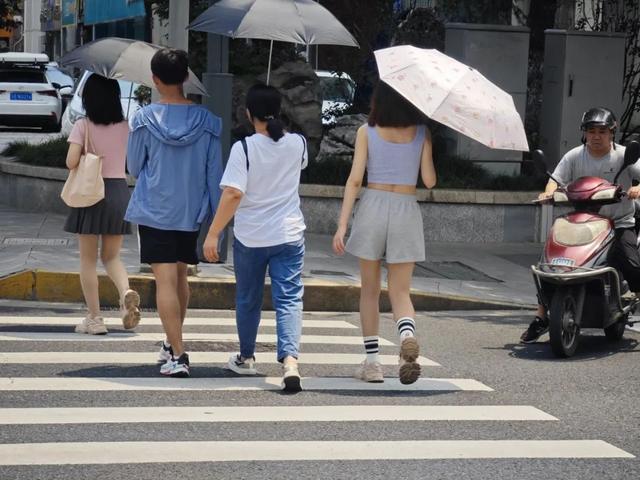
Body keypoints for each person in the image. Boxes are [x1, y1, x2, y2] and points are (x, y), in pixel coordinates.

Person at [203, 84, 307, 393]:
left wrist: (213, 232)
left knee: (248, 299)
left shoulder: (244, 148)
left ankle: (247, 357)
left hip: (251, 237)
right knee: (288, 298)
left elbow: (234, 192)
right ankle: (290, 361)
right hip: (289, 234)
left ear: (249, 114)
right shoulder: (298, 143)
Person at [125, 48, 223, 377]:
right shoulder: (209, 122)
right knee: (181, 277)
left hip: (155, 208)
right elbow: (214, 175)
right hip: (192, 211)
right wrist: (213, 221)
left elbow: (134, 166)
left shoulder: (143, 119)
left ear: (154, 80)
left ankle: (179, 355)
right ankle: (172, 341)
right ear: (185, 78)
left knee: (165, 281)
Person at [332, 81, 436, 385]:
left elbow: (354, 180)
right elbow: (429, 181)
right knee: (401, 291)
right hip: (406, 208)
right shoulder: (421, 133)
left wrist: (342, 225)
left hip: (373, 206)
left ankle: (373, 364)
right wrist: (426, 144)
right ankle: (406, 339)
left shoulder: (367, 131)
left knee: (370, 290)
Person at [520, 107, 640, 343]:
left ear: (612, 133)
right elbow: (555, 180)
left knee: (633, 264)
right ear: (584, 133)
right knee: (550, 263)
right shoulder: (575, 155)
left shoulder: (624, 156)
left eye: (602, 131)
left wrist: (637, 188)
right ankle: (541, 316)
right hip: (581, 221)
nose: (596, 136)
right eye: (591, 131)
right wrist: (548, 194)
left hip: (618, 223)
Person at [63, 74, 140, 335]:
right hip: (118, 191)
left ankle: (94, 319)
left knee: (87, 259)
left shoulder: (83, 125)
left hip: (90, 192)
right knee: (112, 256)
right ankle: (125, 292)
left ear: (88, 97)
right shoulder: (125, 126)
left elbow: (71, 162)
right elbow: (132, 162)